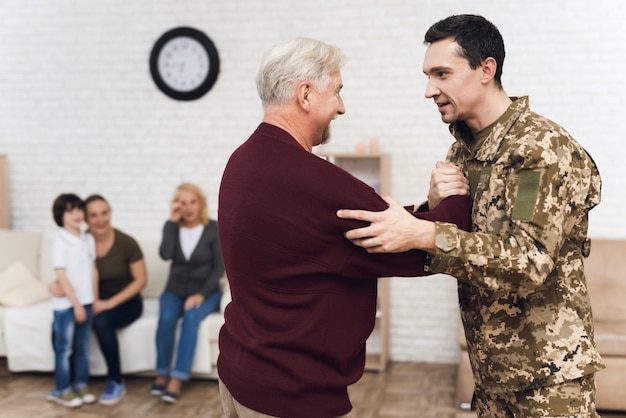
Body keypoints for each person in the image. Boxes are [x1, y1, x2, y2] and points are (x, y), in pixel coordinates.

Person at [337, 14, 605, 417]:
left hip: (548, 379)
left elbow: (527, 261)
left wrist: (422, 234)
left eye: (442, 73)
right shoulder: (464, 150)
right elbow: (469, 244)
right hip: (491, 373)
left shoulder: (539, 150)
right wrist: (430, 209)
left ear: (486, 69)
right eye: (427, 75)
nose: (430, 90)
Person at [217, 37, 472, 418]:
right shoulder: (309, 179)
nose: (341, 106)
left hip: (241, 373)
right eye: (336, 92)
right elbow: (424, 245)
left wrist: (426, 207)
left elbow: (337, 224)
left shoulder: (245, 160)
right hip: (290, 395)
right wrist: (456, 199)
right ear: (305, 94)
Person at [50, 194, 147, 405]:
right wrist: (54, 284)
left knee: (101, 322)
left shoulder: (126, 243)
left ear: (110, 213)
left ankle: (115, 381)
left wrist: (107, 304)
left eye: (104, 213)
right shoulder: (83, 240)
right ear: (86, 217)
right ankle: (64, 385)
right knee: (61, 330)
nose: (100, 219)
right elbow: (69, 270)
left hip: (126, 303)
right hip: (93, 302)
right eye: (93, 215)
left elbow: (141, 281)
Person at [151, 182, 224, 404]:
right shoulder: (172, 226)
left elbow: (219, 267)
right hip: (174, 290)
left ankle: (178, 377)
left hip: (206, 292)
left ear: (200, 203)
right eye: (183, 203)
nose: (188, 207)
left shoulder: (213, 228)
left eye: (193, 202)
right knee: (166, 320)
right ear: (176, 206)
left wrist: (201, 294)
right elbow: (164, 254)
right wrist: (172, 223)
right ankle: (162, 371)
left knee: (191, 318)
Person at [47, 193, 97, 408]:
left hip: (86, 302)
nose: (76, 214)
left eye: (78, 209)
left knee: (82, 347)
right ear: (61, 215)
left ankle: (80, 384)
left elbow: (93, 269)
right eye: (70, 210)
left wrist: (92, 299)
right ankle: (62, 389)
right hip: (67, 306)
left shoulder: (88, 239)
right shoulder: (60, 242)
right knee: (64, 348)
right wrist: (76, 304)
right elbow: (61, 276)